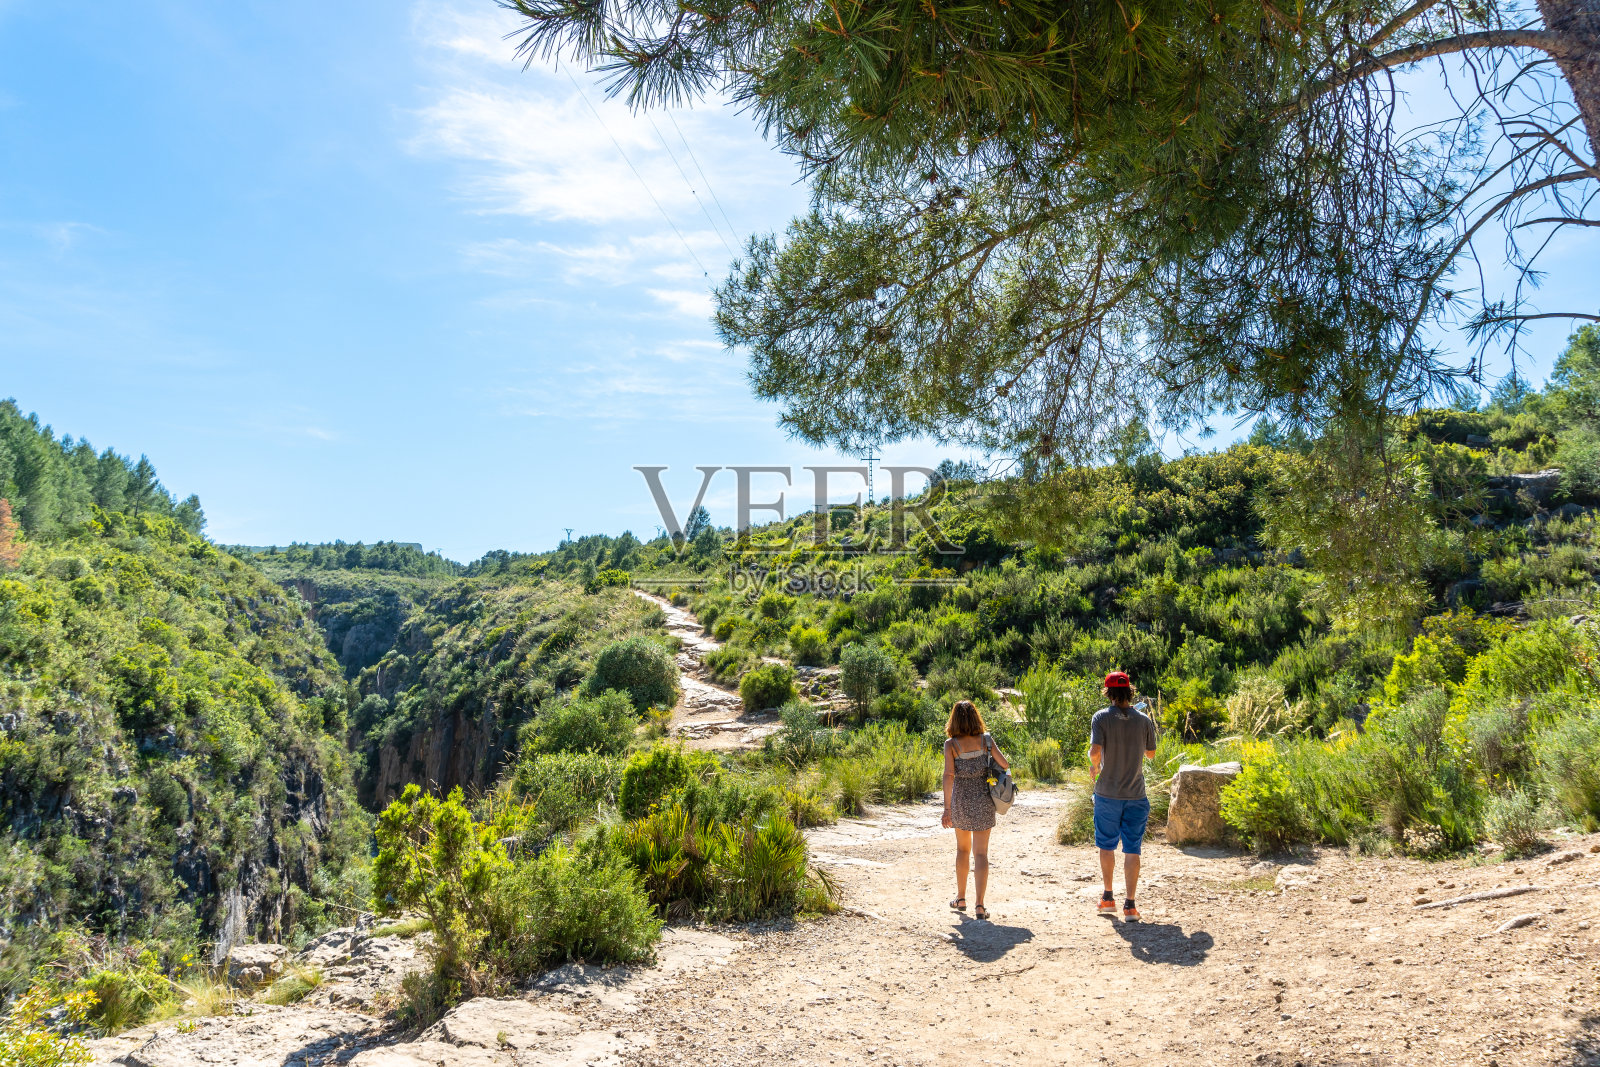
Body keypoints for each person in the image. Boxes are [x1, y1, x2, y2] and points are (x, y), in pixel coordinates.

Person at [1088, 671, 1158, 921]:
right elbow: (1151, 754)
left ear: (1108, 693)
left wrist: (1095, 766)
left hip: (1107, 793)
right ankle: (1130, 905)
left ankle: (1108, 898)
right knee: (1132, 848)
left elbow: (1095, 752)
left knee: (1106, 845)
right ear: (1130, 691)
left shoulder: (1101, 717)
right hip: (1136, 794)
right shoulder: (1143, 720)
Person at [940, 699, 1010, 920]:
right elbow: (1005, 764)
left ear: (954, 720)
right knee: (981, 853)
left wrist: (947, 809)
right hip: (983, 801)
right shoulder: (986, 740)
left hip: (960, 801)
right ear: (975, 718)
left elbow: (948, 775)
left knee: (962, 850)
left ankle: (961, 898)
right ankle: (980, 906)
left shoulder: (951, 745)